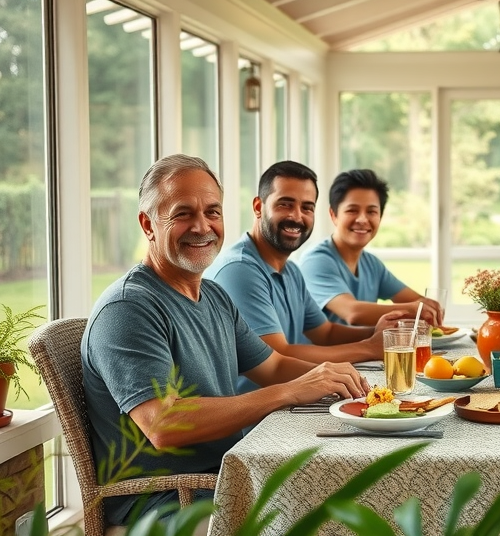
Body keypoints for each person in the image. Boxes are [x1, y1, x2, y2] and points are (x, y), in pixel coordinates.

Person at [81, 155, 371, 526]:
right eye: (183, 213)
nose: (202, 227)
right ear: (147, 224)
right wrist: (289, 392)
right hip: (171, 502)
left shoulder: (214, 295)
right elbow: (163, 423)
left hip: (227, 476)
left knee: (355, 493)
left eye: (213, 212)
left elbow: (273, 365)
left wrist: (337, 377)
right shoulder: (129, 307)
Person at [204, 161, 409, 392]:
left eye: (307, 207)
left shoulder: (291, 271)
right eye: (285, 204)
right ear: (258, 207)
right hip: (256, 419)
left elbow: (325, 332)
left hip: (290, 401)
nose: (297, 216)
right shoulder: (239, 270)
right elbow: (278, 354)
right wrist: (370, 347)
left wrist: (382, 334)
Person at [300, 168, 443, 327]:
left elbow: (415, 301)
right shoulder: (316, 261)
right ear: (333, 214)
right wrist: (413, 310)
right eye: (352, 210)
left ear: (380, 217)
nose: (362, 219)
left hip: (366, 351)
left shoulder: (371, 264)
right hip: (324, 352)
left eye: (371, 212)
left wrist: (428, 306)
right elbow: (353, 313)